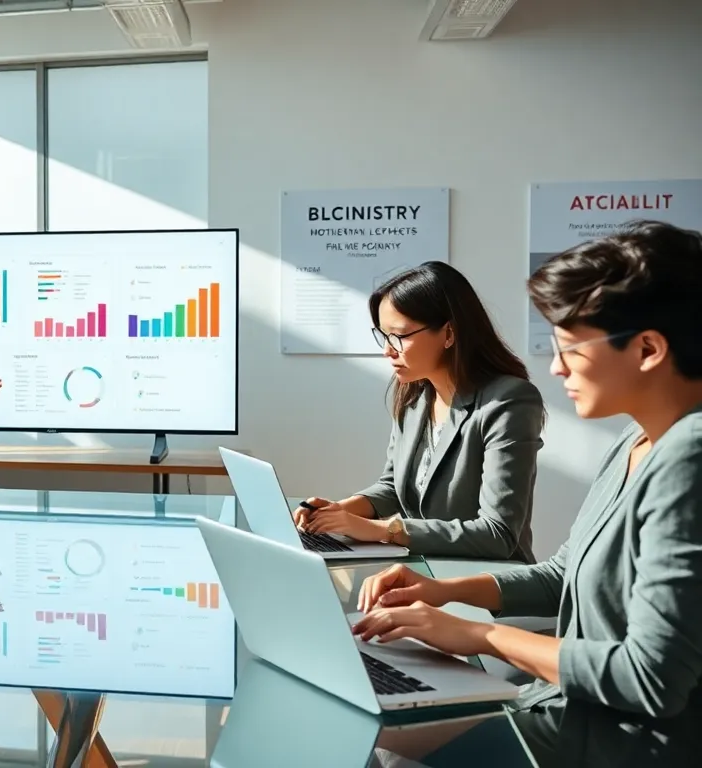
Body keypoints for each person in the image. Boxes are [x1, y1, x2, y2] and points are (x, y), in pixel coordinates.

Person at [352, 221, 702, 766]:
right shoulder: (637, 440)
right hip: (568, 705)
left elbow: (649, 679)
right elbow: (562, 574)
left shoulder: (689, 457)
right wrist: (439, 591)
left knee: (379, 741)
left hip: (617, 739)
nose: (556, 366)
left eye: (569, 347)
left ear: (649, 348)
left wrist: (477, 636)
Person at [296, 262, 544, 562]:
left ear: (449, 333)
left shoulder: (508, 401)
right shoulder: (414, 396)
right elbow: (393, 488)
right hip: (420, 565)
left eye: (399, 336)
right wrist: (340, 511)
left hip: (486, 581)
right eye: (384, 335)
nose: (388, 350)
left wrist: (382, 529)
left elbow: (497, 534)